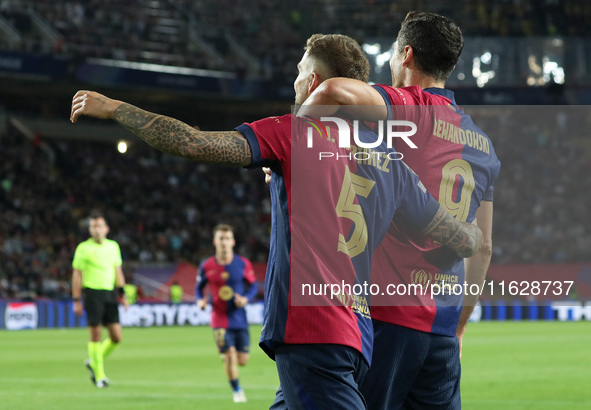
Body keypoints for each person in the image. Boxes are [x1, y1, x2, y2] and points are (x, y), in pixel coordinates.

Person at [69, 33, 483, 408]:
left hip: (313, 330)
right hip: (359, 335)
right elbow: (457, 237)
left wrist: (116, 108)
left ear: (316, 84)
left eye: (301, 72)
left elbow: (193, 143)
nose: (295, 83)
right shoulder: (393, 164)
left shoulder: (291, 133)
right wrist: (474, 233)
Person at [300, 11, 501, 409]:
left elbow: (335, 91)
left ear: (405, 55)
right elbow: (483, 248)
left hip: (387, 320)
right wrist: (458, 329)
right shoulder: (482, 144)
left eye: (393, 53)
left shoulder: (405, 105)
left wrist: (296, 149)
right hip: (441, 334)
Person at [195, 224, 257, 403]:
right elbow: (198, 288)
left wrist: (245, 299)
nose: (224, 242)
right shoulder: (206, 265)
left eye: (227, 238)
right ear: (215, 242)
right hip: (219, 318)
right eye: (221, 238)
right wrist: (200, 300)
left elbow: (253, 286)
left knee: (242, 360)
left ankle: (227, 353)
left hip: (239, 318)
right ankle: (237, 390)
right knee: (230, 356)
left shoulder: (243, 263)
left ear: (233, 242)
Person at [72, 212, 129, 388]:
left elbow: (117, 271)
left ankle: (93, 361)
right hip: (92, 293)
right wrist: (76, 299)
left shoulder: (113, 247)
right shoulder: (83, 248)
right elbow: (77, 274)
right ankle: (100, 376)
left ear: (106, 229)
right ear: (90, 230)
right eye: (93, 227)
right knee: (95, 335)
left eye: (99, 226)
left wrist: (123, 293)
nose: (96, 230)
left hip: (110, 293)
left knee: (116, 337)